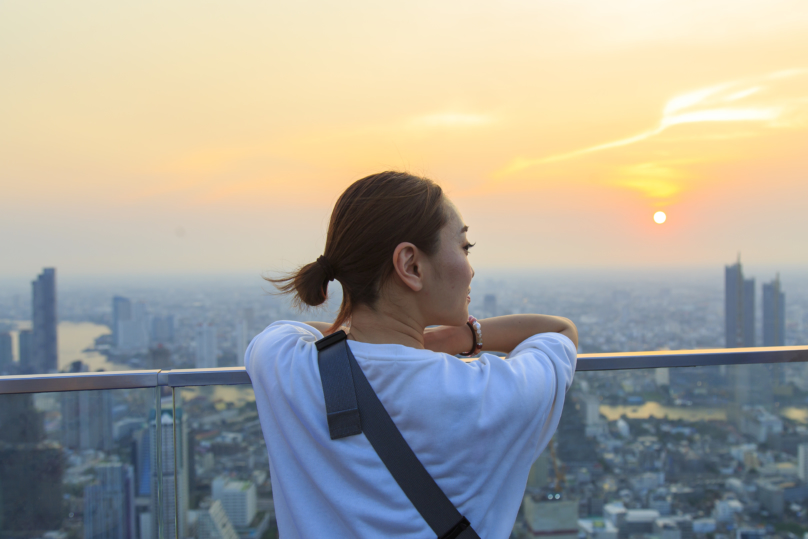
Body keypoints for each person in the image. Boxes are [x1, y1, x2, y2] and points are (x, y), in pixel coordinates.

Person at [245, 171, 578, 538]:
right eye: (465, 247)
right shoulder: (484, 394)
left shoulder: (282, 363)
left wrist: (396, 337)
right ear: (411, 266)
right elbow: (559, 331)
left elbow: (301, 335)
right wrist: (457, 338)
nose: (470, 269)